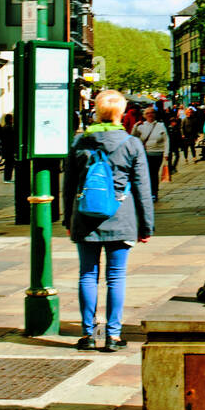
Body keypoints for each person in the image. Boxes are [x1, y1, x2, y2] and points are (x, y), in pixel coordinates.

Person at [62, 89, 153, 352]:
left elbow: (68, 186)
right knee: (116, 278)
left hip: (85, 217)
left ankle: (88, 334)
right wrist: (146, 225)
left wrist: (68, 218)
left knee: (87, 276)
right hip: (120, 216)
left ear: (97, 112)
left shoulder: (79, 143)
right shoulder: (131, 143)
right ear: (121, 113)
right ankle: (113, 335)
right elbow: (142, 189)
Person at [133, 106, 169, 201]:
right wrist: (135, 126)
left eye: (152, 112)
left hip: (157, 153)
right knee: (146, 174)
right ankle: (148, 192)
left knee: (153, 173)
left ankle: (154, 193)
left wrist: (166, 153)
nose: (150, 115)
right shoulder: (141, 126)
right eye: (147, 113)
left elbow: (166, 140)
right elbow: (132, 137)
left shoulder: (160, 125)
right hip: (145, 153)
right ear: (144, 115)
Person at [0, 113, 17, 183]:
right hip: (10, 148)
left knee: (8, 164)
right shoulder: (10, 128)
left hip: (5, 148)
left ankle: (7, 178)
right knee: (10, 164)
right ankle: (7, 178)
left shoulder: (4, 127)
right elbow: (12, 139)